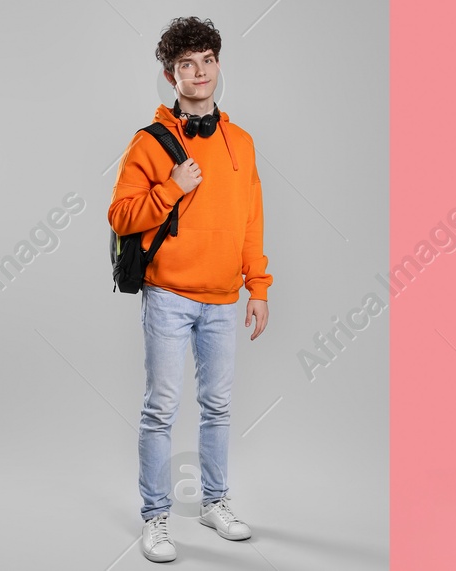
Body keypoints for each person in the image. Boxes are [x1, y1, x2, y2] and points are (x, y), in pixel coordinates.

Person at [107, 16, 271, 564]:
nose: (199, 73)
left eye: (207, 61)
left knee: (218, 407)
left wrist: (259, 286)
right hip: (169, 296)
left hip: (225, 297)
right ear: (170, 75)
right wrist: (169, 191)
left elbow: (252, 220)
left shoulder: (241, 143)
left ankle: (214, 501)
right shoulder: (150, 142)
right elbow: (121, 214)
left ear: (218, 66)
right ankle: (155, 516)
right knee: (160, 408)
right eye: (186, 65)